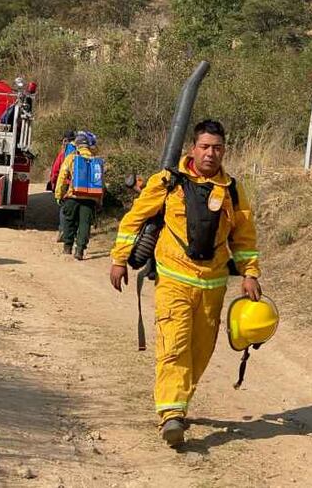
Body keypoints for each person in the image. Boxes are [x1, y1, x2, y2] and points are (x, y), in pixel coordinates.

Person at [108, 119, 262, 448]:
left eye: (217, 148)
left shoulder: (233, 190)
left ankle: (179, 402)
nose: (211, 153)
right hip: (174, 281)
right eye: (205, 147)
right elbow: (134, 219)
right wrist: (119, 259)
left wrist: (250, 273)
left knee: (200, 352)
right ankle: (171, 414)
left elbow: (244, 237)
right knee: (174, 345)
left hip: (213, 287)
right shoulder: (168, 182)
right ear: (193, 148)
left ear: (224, 151)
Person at [54, 131, 102, 260]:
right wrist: (98, 201)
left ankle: (67, 247)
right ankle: (80, 251)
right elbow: (100, 182)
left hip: (73, 196)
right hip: (90, 199)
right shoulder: (96, 160)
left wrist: (59, 194)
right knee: (85, 225)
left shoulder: (72, 157)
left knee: (69, 222)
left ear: (78, 145)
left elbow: (62, 177)